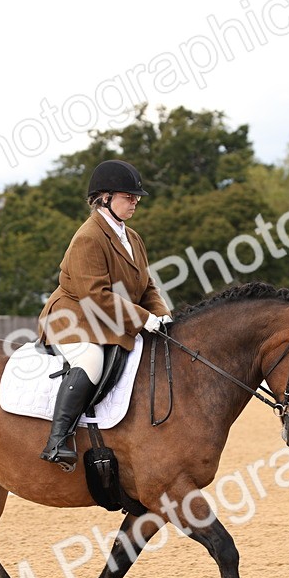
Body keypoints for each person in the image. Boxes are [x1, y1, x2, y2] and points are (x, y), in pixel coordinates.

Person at [37, 159, 172, 466]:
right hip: (74, 320)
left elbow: (147, 285)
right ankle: (58, 439)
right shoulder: (88, 237)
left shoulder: (132, 236)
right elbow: (95, 296)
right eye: (128, 196)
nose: (135, 201)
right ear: (105, 198)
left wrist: (162, 315)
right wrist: (143, 319)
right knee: (91, 359)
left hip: (109, 319)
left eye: (135, 197)